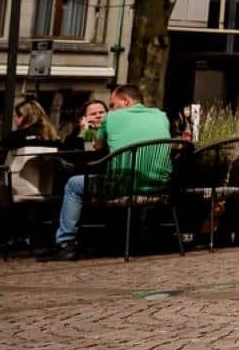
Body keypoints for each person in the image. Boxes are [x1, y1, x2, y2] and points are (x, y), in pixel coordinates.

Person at [41, 84, 172, 261]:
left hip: (122, 186)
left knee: (73, 184)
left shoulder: (112, 118)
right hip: (158, 186)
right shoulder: (161, 115)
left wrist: (93, 132)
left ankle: (66, 243)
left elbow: (97, 146)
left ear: (126, 101)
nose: (110, 109)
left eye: (112, 105)